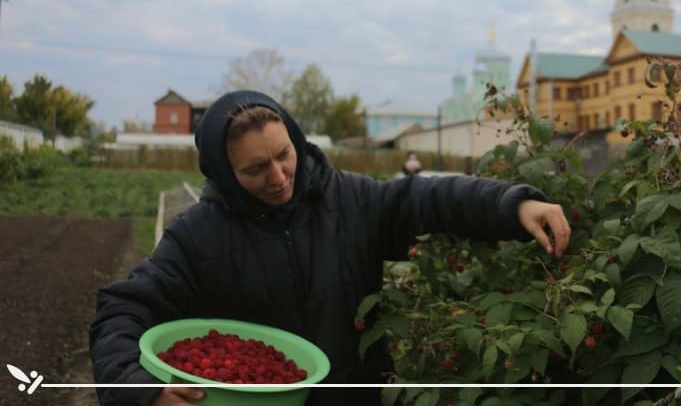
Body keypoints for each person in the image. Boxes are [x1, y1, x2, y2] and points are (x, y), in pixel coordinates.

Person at [89, 90, 570, 406]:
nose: (278, 177)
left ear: (297, 140)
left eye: (283, 156)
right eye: (255, 170)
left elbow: (429, 196)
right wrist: (143, 392)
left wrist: (513, 206)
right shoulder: (198, 237)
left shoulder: (352, 200)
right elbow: (122, 310)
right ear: (223, 173)